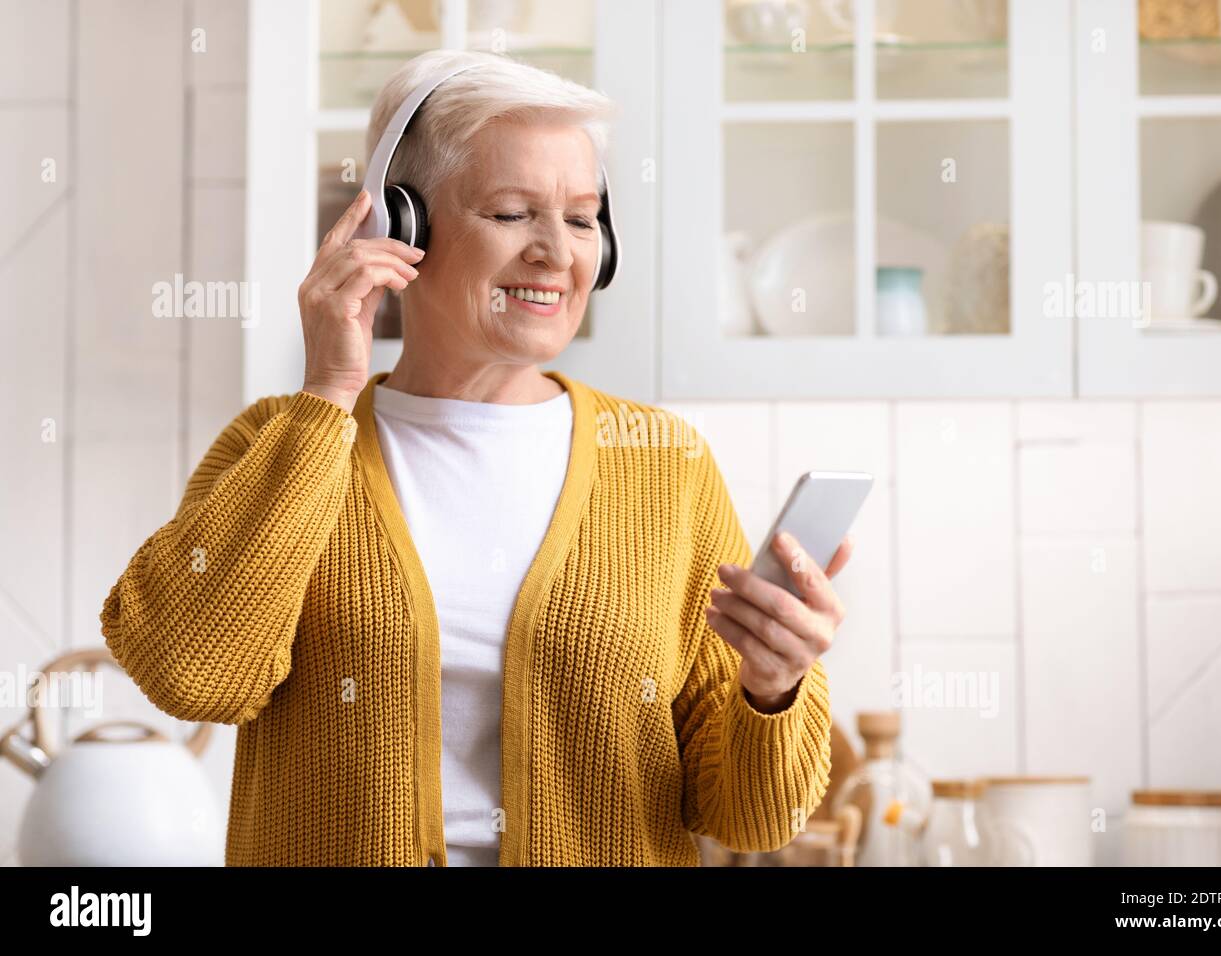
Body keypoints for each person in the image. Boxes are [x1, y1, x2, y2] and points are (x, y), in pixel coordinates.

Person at [100, 49, 852, 867]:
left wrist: (771, 690)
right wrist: (328, 392)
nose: (556, 253)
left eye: (579, 217)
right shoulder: (281, 445)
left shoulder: (663, 464)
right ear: (401, 227)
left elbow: (746, 817)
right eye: (510, 213)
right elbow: (194, 675)